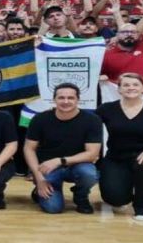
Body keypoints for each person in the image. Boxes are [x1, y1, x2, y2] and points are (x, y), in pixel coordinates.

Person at [97, 73, 143, 220]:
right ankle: (124, 190)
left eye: (135, 85)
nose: (131, 88)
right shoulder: (107, 109)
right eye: (126, 85)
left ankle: (141, 206)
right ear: (119, 89)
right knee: (115, 199)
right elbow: (86, 122)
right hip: (116, 158)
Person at [23, 83, 102, 214]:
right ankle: (39, 189)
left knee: (90, 174)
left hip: (77, 165)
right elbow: (28, 149)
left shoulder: (92, 120)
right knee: (53, 208)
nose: (66, 101)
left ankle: (81, 196)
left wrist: (60, 160)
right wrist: (39, 178)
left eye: (70, 98)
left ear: (78, 100)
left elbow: (92, 154)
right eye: (61, 98)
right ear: (54, 99)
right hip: (47, 168)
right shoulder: (40, 119)